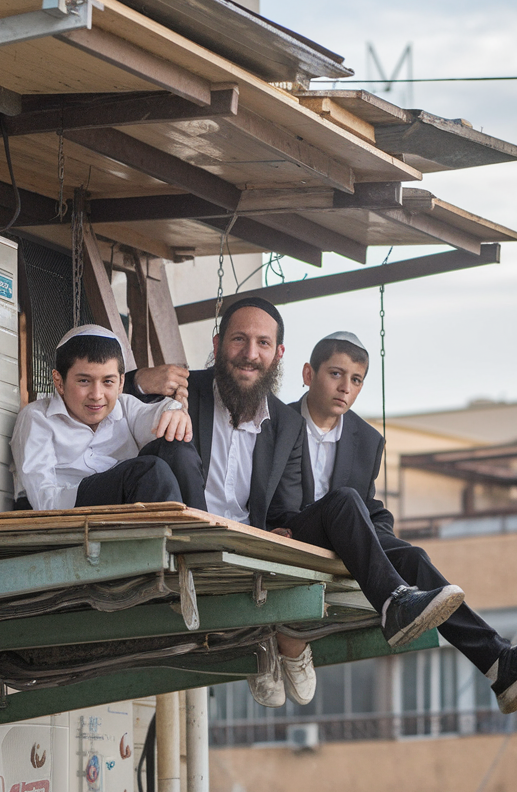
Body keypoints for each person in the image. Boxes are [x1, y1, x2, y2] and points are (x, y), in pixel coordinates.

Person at [126, 298, 468, 709]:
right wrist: (140, 380)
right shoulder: (183, 392)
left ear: (278, 354)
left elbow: (281, 505)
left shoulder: (287, 424)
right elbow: (115, 409)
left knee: (365, 519)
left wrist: (283, 527)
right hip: (194, 546)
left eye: (263, 343)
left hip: (254, 542)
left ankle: (403, 608)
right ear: (217, 344)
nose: (251, 353)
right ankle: (270, 643)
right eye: (239, 339)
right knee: (178, 450)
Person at [292, 330, 517, 715]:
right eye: (335, 374)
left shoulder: (366, 440)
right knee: (345, 501)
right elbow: (258, 486)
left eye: (356, 380)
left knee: (413, 557)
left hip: (344, 538)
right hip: (291, 533)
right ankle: (394, 605)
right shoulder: (278, 421)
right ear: (309, 374)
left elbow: (371, 509)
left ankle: (499, 663)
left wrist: (386, 548)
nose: (345, 387)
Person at [10, 325, 206, 511]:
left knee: (176, 445)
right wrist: (108, 485)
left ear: (121, 383)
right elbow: (45, 502)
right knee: (148, 471)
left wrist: (174, 409)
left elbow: (153, 415)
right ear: (59, 382)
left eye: (108, 382)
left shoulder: (126, 407)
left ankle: (200, 536)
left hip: (127, 508)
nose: (97, 394)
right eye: (84, 381)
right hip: (65, 516)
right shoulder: (37, 418)